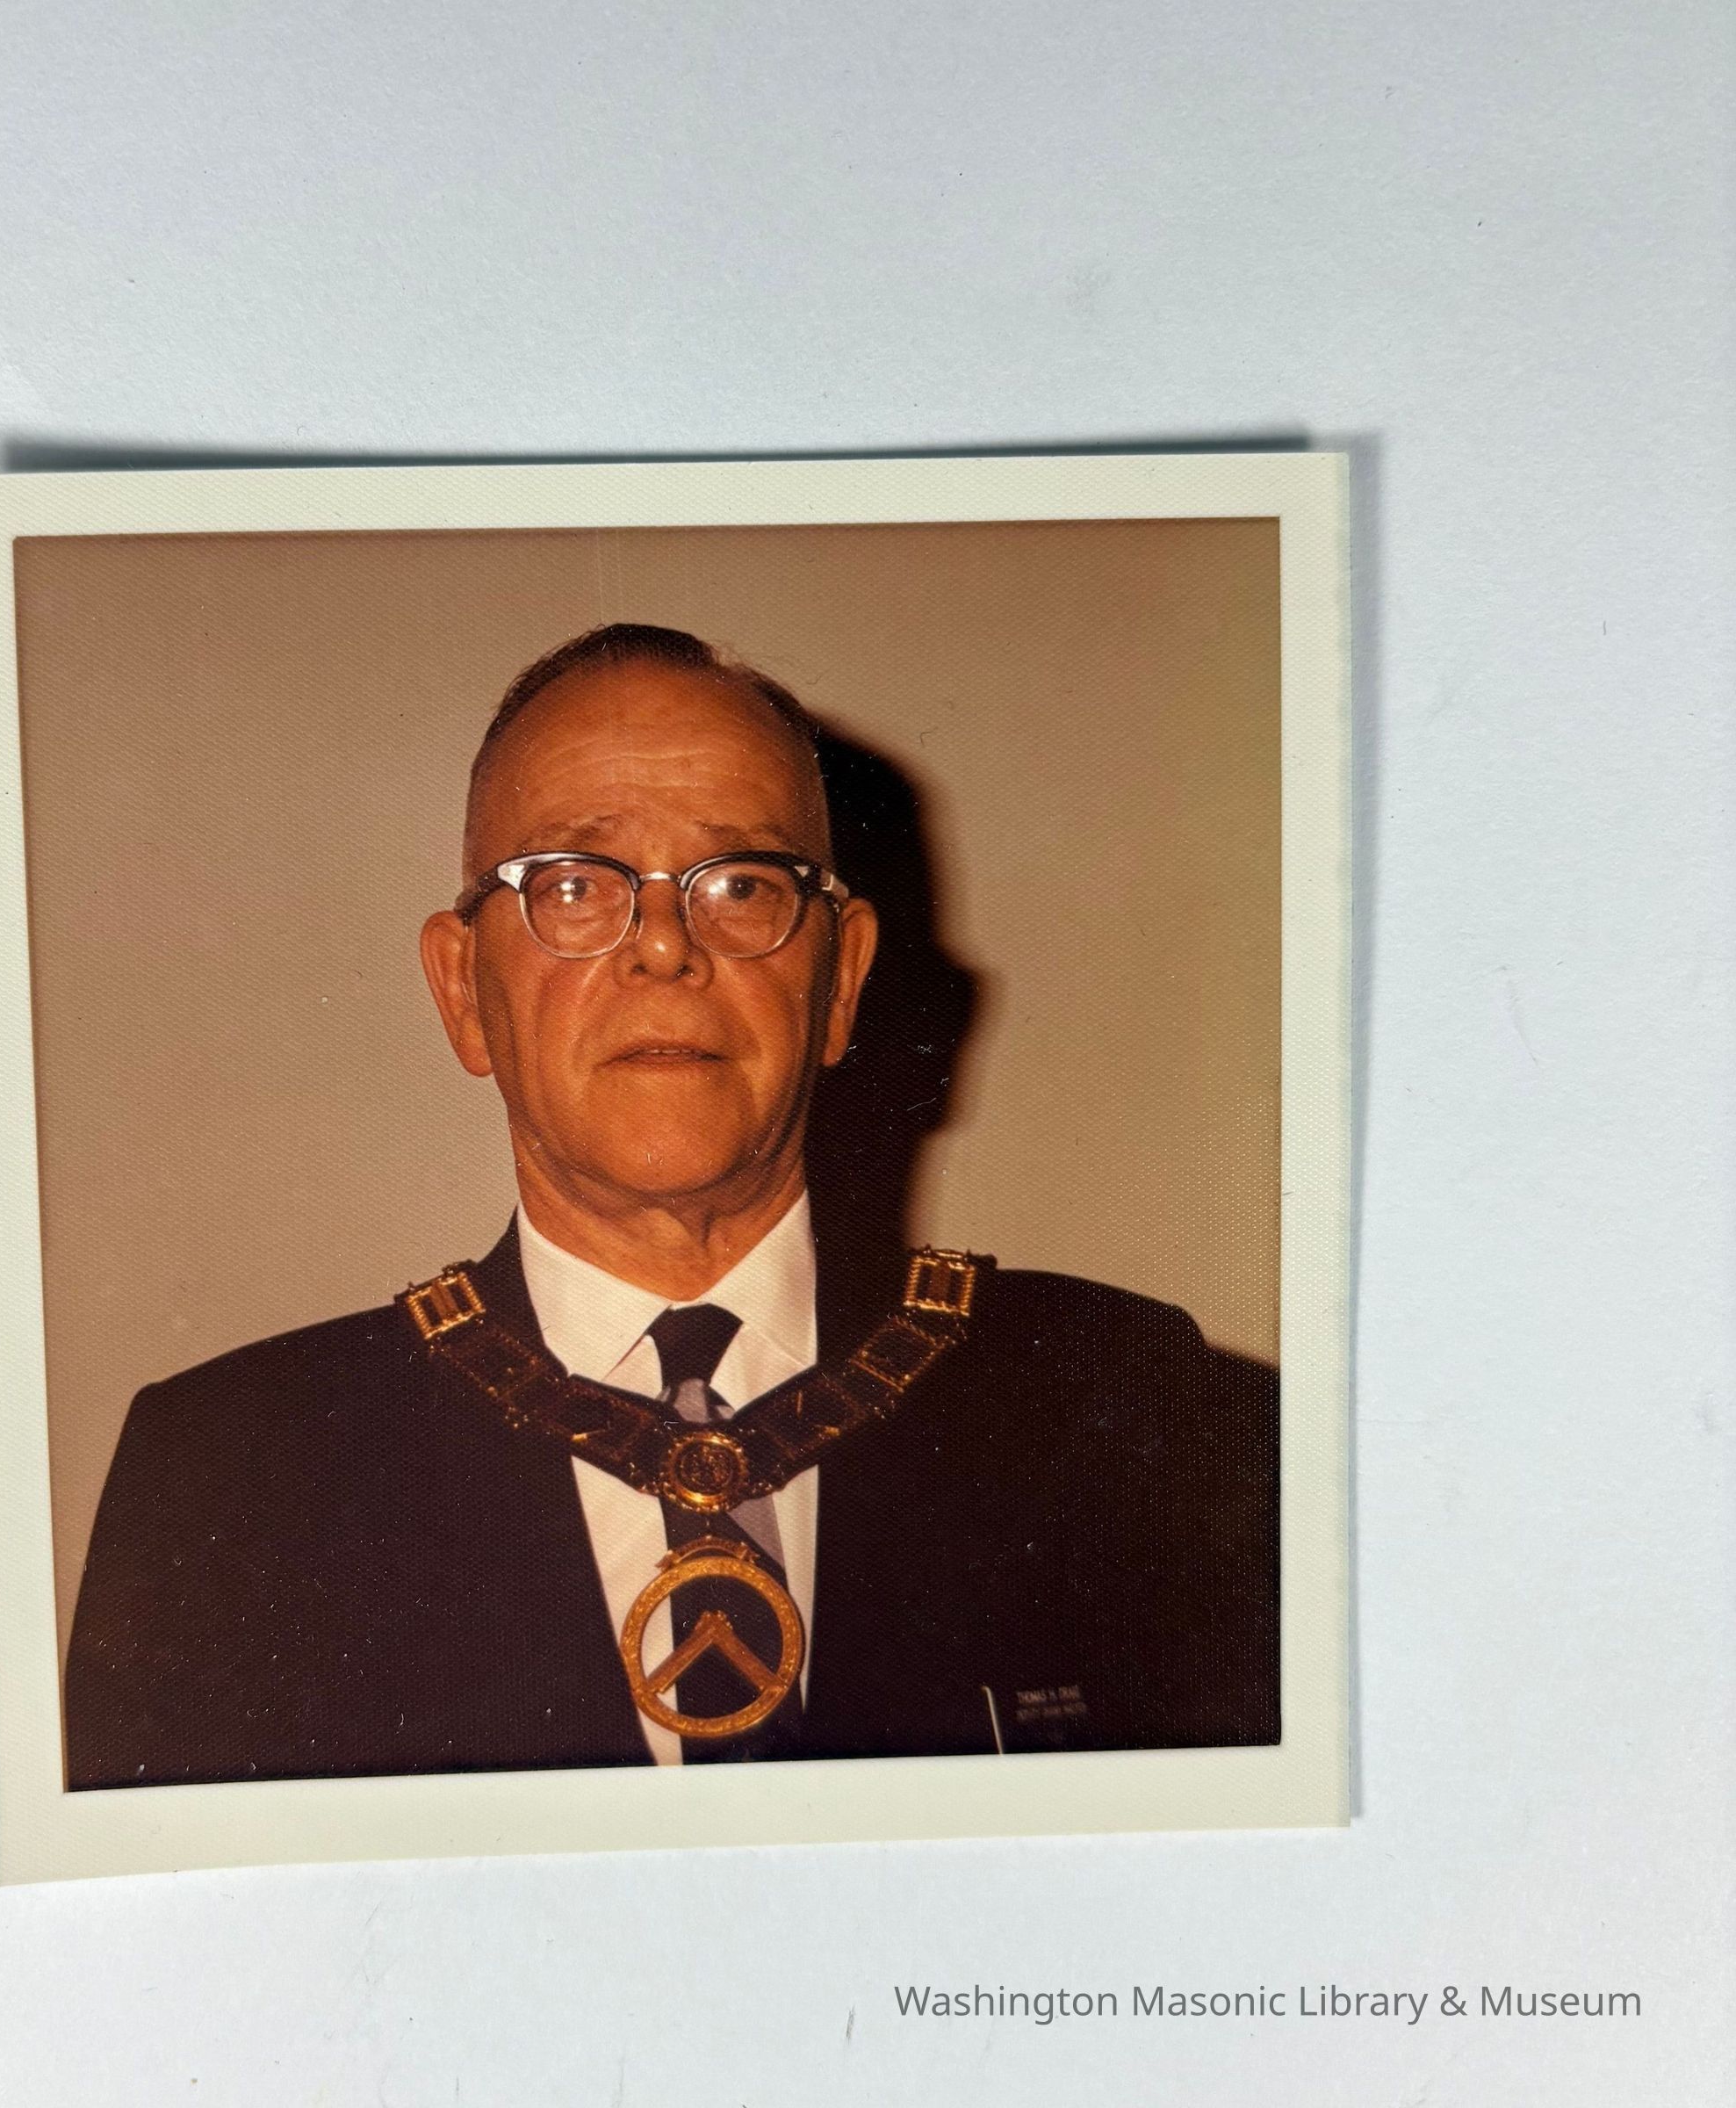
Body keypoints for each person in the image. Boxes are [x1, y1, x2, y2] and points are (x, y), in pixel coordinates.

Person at [62, 624, 1277, 1787]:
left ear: (840, 981)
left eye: (740, 883)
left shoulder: (1138, 1413)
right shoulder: (231, 1485)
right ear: (464, 990)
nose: (661, 947)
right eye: (572, 885)